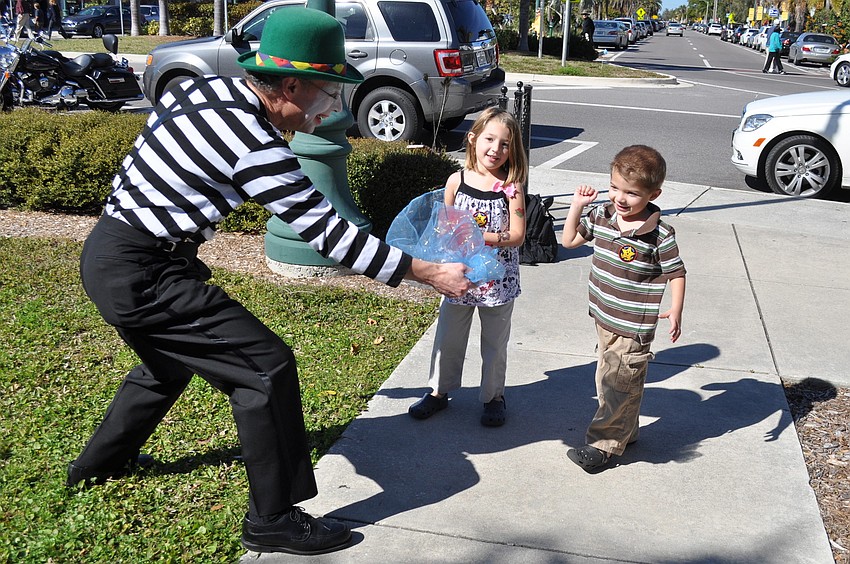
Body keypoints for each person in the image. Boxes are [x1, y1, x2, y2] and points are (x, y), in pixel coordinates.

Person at [64, 7, 472, 557]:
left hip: (114, 251)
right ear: (289, 84)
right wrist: (426, 271)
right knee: (265, 368)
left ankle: (98, 466)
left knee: (166, 366)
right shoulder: (254, 138)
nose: (333, 108)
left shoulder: (206, 90)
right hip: (144, 270)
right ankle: (272, 519)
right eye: (327, 92)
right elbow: (327, 231)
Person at [561, 145, 686, 472]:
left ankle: (602, 446)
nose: (620, 197)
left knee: (618, 379)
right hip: (603, 314)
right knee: (613, 378)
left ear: (653, 193)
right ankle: (625, 432)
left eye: (631, 193)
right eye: (615, 187)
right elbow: (569, 241)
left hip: (634, 322)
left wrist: (676, 309)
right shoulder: (601, 215)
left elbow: (676, 272)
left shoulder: (660, 234)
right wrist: (576, 206)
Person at [408, 107, 527, 427]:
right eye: (489, 139)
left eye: (505, 144)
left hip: (496, 279)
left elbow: (517, 235)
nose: (496, 149)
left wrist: (481, 235)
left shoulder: (511, 188)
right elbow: (444, 225)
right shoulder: (455, 181)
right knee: (448, 335)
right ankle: (438, 391)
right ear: (473, 139)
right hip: (457, 274)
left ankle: (493, 396)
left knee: (495, 341)